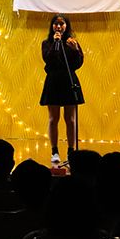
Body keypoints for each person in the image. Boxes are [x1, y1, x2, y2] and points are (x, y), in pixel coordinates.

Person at [40, 13, 84, 164]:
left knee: (70, 120)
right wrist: (55, 43)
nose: (58, 26)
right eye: (56, 24)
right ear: (52, 26)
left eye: (62, 24)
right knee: (53, 119)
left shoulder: (72, 42)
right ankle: (54, 151)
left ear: (66, 26)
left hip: (69, 81)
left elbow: (78, 64)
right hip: (53, 81)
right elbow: (48, 59)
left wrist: (75, 49)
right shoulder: (47, 43)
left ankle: (71, 151)